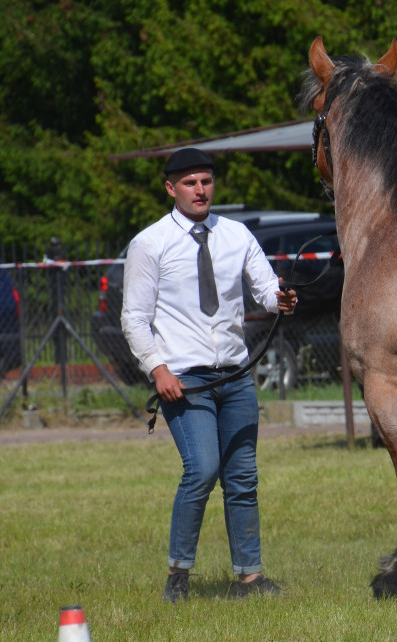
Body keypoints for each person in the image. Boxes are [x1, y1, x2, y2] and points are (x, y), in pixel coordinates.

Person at [121, 147, 297, 603]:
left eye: (206, 181)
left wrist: (280, 298)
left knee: (242, 476)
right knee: (202, 469)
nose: (200, 190)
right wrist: (157, 369)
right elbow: (134, 319)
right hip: (184, 378)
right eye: (189, 182)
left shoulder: (236, 235)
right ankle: (178, 577)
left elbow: (263, 286)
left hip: (236, 375)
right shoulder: (149, 243)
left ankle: (250, 579)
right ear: (170, 188)